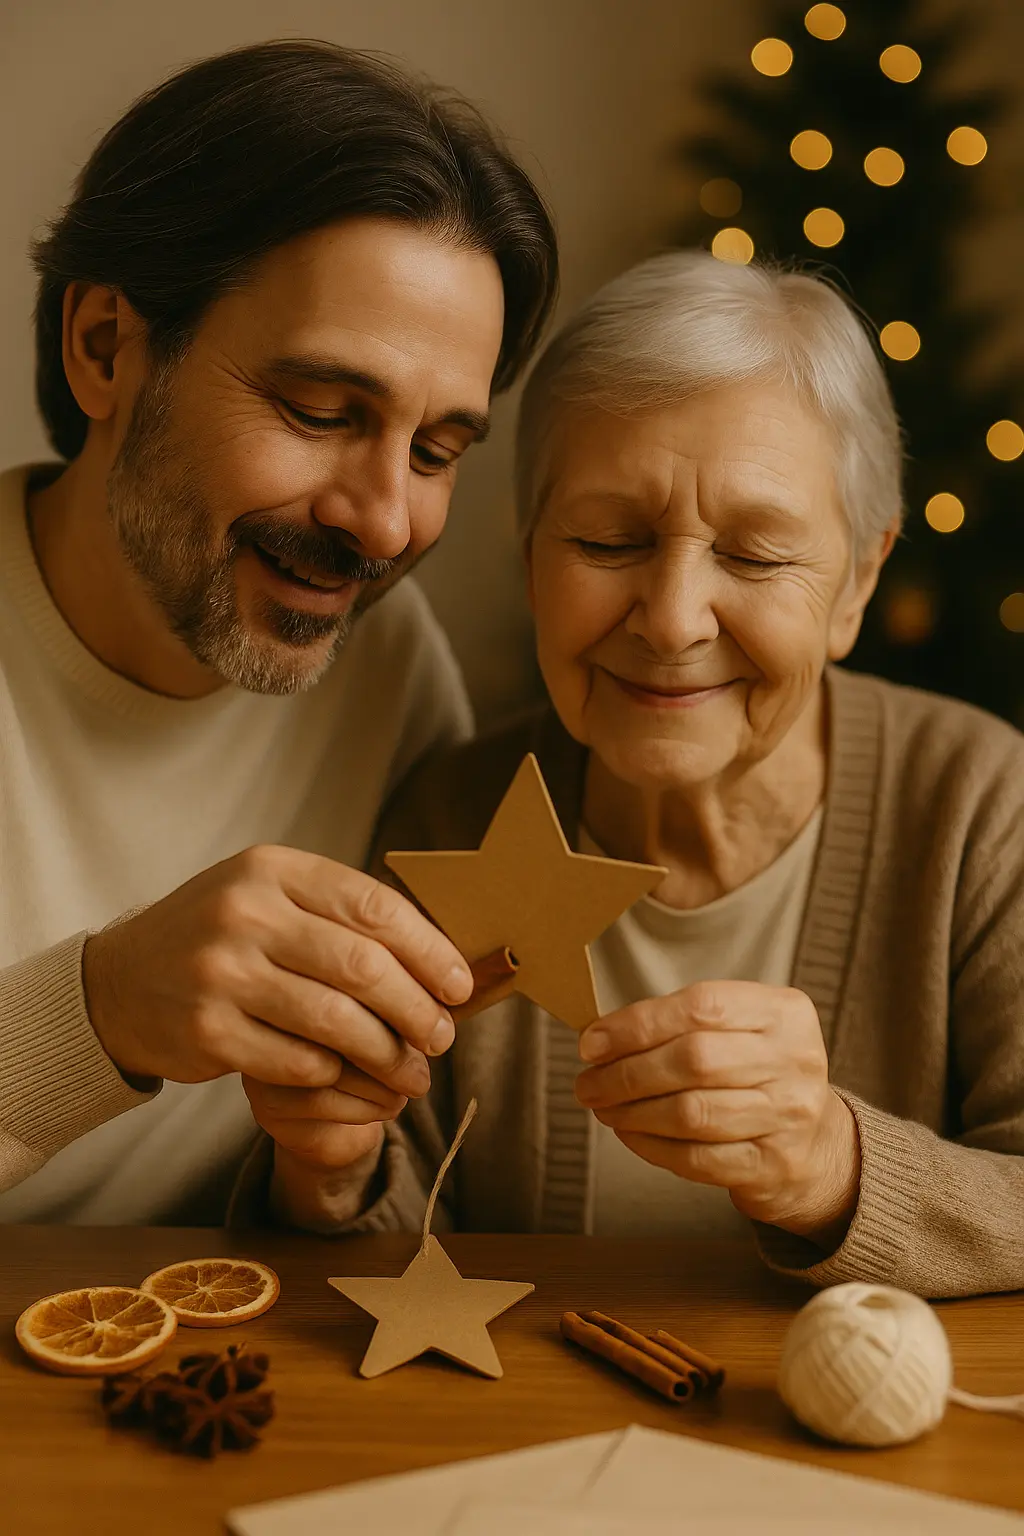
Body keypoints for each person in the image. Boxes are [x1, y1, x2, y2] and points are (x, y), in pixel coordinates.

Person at [362, 252, 1024, 1299]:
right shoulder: (450, 816)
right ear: (531, 552)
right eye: (606, 539)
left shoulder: (981, 807)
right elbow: (382, 1261)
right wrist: (326, 1163)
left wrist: (833, 1169)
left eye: (756, 558)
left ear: (857, 581)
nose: (671, 621)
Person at [0, 39, 557, 1229]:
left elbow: (391, 1175)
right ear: (104, 347)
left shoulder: (395, 678)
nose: (387, 518)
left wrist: (332, 1169)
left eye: (438, 450)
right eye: (319, 410)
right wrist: (96, 1012)